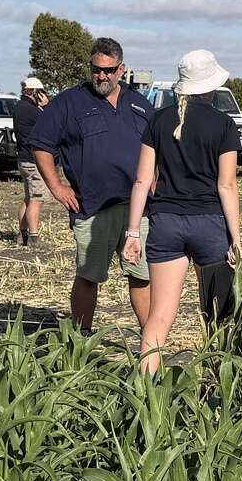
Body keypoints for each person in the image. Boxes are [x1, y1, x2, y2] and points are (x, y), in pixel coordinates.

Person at [121, 49, 242, 375]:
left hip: (165, 225)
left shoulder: (158, 120)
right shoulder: (223, 124)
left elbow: (142, 180)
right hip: (210, 226)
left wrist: (133, 232)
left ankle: (145, 392)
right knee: (218, 316)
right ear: (211, 86)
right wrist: (236, 237)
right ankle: (219, 387)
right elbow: (226, 186)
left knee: (159, 316)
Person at [28, 36, 154, 333]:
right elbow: (41, 145)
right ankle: (82, 336)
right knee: (90, 275)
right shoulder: (69, 102)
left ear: (121, 69)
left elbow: (156, 148)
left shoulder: (139, 103)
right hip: (93, 207)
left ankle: (151, 340)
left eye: (109, 70)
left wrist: (157, 184)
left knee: (141, 274)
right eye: (96, 69)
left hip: (137, 209)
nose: (102, 76)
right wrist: (56, 186)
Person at [14, 76, 50, 245]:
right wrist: (46, 107)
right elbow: (50, 124)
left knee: (28, 198)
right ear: (35, 92)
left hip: (23, 159)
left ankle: (22, 234)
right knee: (36, 199)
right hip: (34, 160)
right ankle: (34, 237)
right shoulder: (33, 111)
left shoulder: (19, 107)